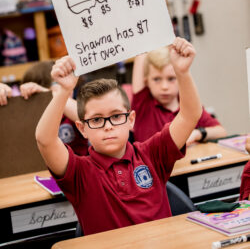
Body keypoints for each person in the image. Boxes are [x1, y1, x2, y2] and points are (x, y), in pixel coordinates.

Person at [35, 37, 202, 235]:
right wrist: (64, 91)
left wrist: (182, 72)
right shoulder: (78, 172)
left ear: (131, 120)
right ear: (82, 129)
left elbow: (190, 115)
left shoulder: (152, 153)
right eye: (96, 120)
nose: (108, 126)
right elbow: (45, 140)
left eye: (116, 116)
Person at [131, 45, 227, 145]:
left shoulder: (189, 107)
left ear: (180, 79)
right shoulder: (143, 103)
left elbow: (221, 131)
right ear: (146, 81)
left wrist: (197, 133)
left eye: (171, 78)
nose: (164, 86)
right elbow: (140, 52)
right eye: (157, 79)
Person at [0, 62, 88, 156]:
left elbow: (86, 116)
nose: (68, 86)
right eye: (59, 82)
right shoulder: (27, 117)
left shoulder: (69, 110)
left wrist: (55, 96)